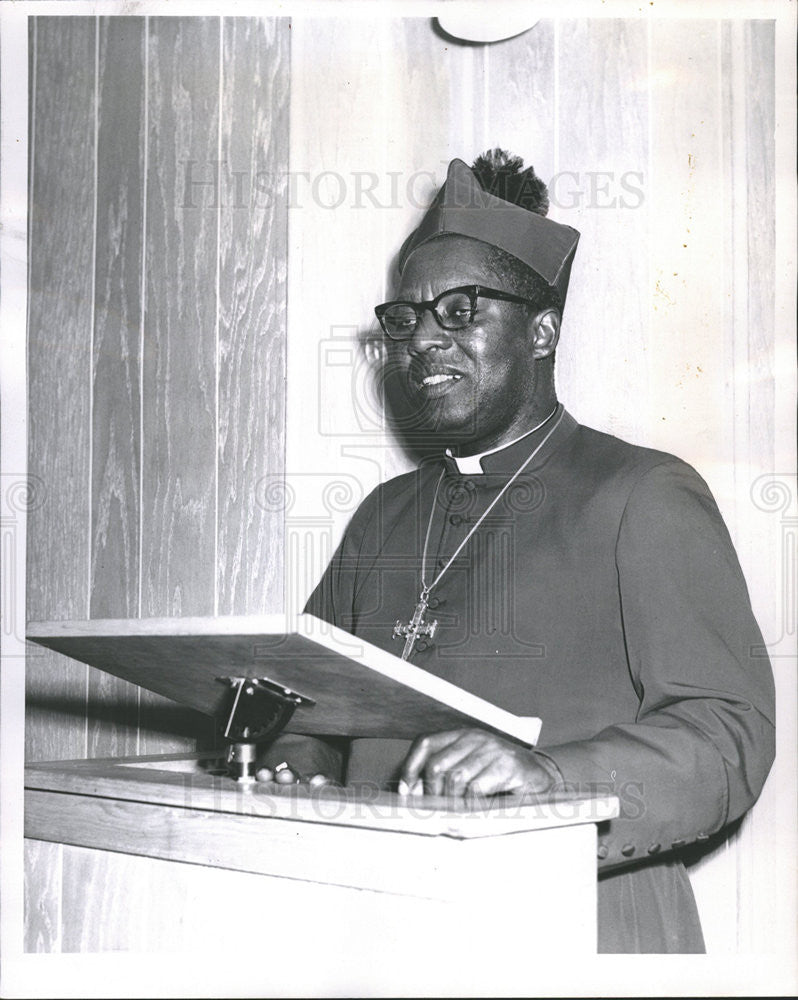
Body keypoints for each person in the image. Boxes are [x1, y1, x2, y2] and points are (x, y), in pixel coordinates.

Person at [257, 150, 775, 954]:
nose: (424, 338)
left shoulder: (641, 492)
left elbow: (730, 733)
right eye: (407, 317)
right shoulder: (382, 515)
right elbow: (312, 707)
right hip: (383, 935)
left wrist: (554, 779)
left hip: (577, 930)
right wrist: (296, 750)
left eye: (460, 310)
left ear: (542, 331)